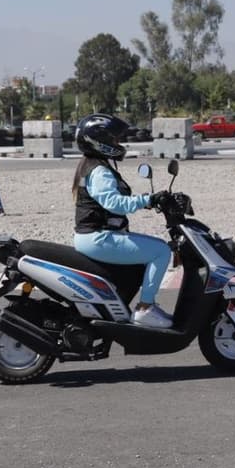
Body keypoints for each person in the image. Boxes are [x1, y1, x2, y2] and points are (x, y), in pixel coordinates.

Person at [71, 113, 174, 329]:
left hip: (94, 236)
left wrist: (146, 201)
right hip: (98, 238)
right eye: (115, 139)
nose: (119, 144)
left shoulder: (91, 164)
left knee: (147, 251)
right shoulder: (99, 170)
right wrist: (147, 200)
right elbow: (113, 203)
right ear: (100, 141)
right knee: (161, 251)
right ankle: (145, 308)